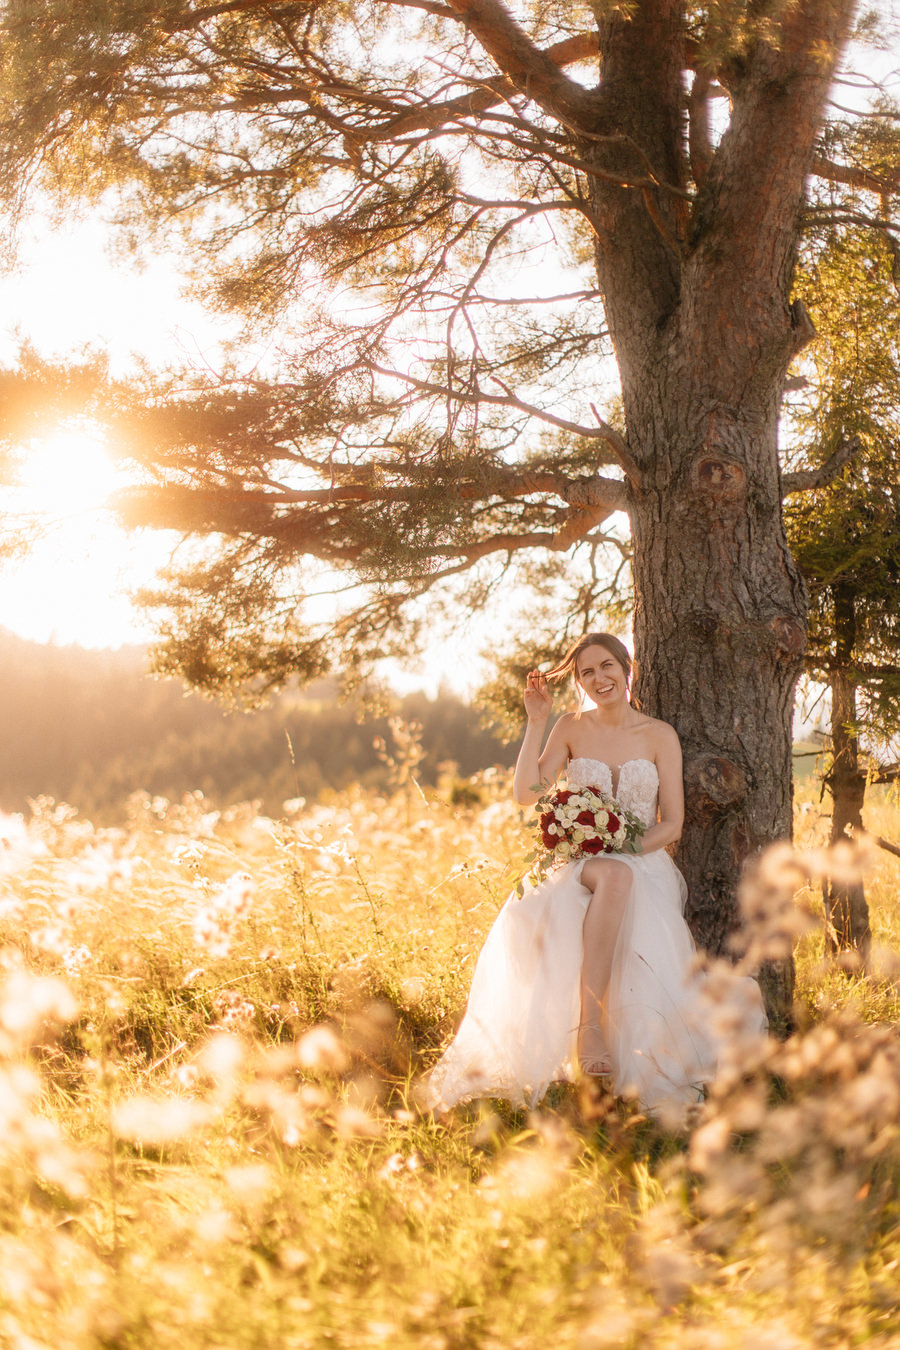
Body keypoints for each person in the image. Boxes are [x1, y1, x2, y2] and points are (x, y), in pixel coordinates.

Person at [420, 632, 767, 1116]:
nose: (598, 679)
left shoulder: (658, 734)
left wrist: (618, 844)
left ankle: (608, 1047)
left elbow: (671, 824)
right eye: (586, 672)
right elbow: (526, 792)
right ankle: (590, 1027)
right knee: (607, 879)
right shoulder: (569, 726)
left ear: (628, 670)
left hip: (641, 860)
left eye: (607, 667)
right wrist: (536, 722)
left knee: (622, 881)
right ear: (579, 681)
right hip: (578, 864)